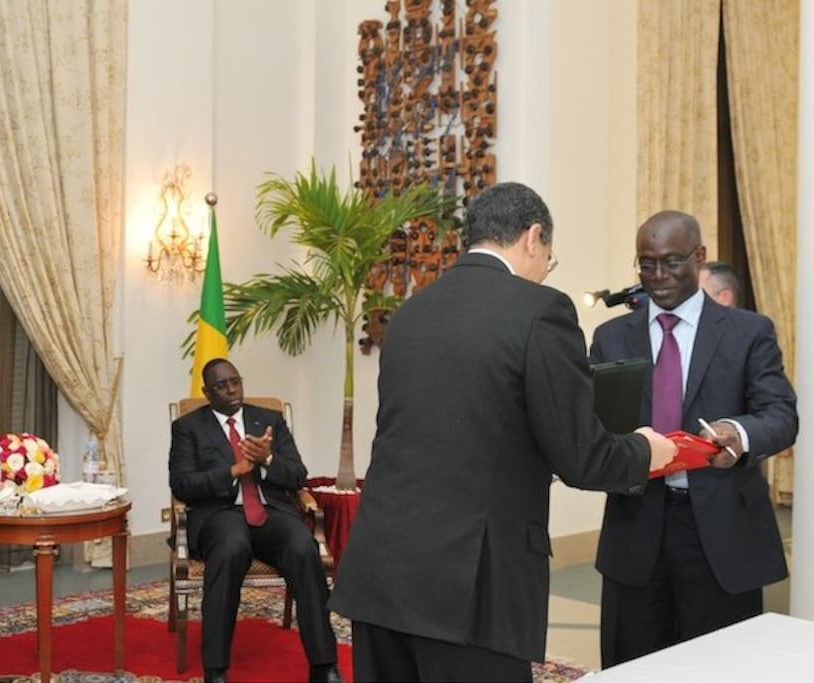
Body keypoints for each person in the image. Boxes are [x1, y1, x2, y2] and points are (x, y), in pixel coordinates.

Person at [328, 182, 678, 682]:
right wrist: (647, 450)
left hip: (382, 570)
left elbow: (453, 430)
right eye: (549, 258)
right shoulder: (541, 311)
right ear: (533, 237)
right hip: (471, 585)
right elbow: (582, 459)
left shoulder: (409, 315)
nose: (544, 271)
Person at [591, 211, 797, 667]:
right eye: (647, 265)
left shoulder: (748, 332)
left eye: (672, 262)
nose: (658, 277)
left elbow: (781, 416)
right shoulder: (609, 339)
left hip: (721, 533)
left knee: (720, 667)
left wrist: (739, 435)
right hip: (635, 529)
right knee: (632, 665)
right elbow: (597, 429)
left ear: (699, 258)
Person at [169, 358, 341, 683]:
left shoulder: (269, 420)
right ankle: (216, 670)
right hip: (219, 515)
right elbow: (182, 485)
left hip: (271, 512)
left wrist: (268, 460)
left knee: (304, 548)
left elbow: (297, 476)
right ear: (207, 392)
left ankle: (324, 665)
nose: (232, 389)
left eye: (235, 381)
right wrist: (231, 472)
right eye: (221, 385)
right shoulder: (188, 428)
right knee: (231, 548)